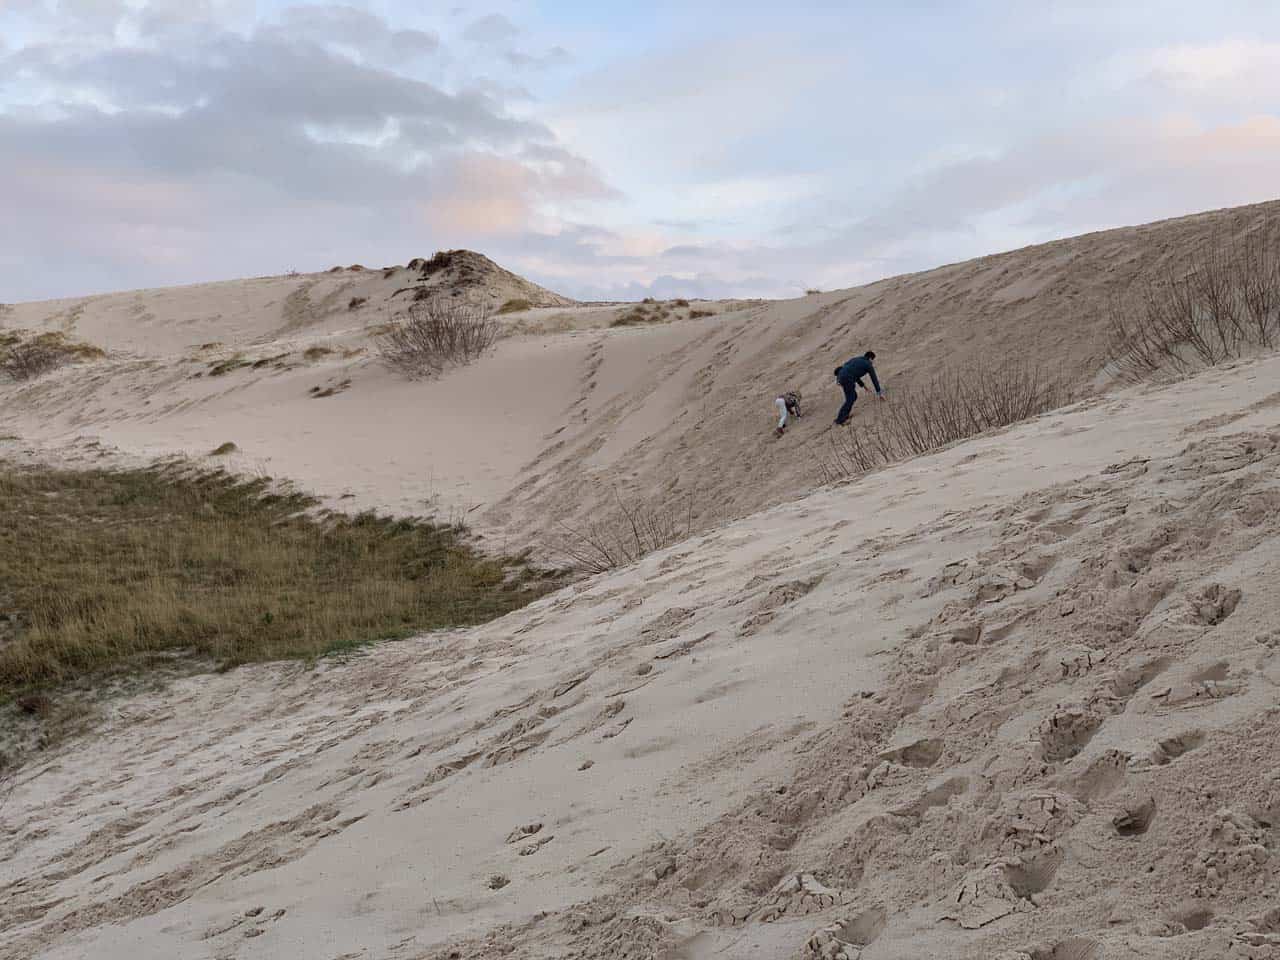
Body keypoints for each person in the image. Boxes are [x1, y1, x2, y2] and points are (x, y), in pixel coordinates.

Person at [833, 350, 884, 425]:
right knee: (851, 398)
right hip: (847, 379)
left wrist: (863, 385)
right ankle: (840, 420)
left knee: (852, 397)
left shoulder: (857, 359)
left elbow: (853, 372)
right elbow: (874, 379)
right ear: (870, 358)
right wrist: (879, 392)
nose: (872, 362)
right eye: (872, 360)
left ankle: (845, 415)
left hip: (842, 376)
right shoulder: (868, 364)